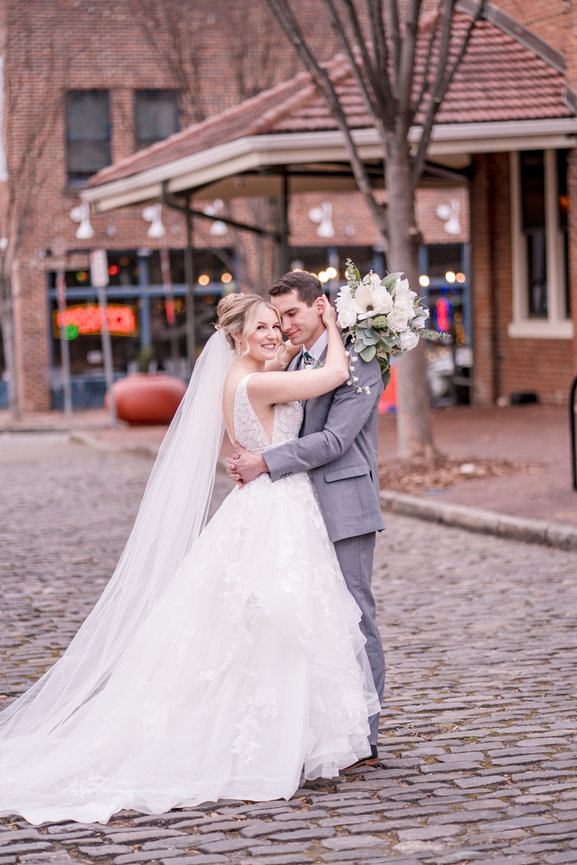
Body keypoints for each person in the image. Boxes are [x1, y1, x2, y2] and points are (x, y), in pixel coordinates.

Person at [0, 292, 379, 826]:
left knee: (260, 627)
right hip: (276, 508)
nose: (273, 334)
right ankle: (269, 742)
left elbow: (288, 380)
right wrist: (334, 324)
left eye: (277, 325)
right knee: (279, 621)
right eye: (262, 327)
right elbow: (336, 374)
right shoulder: (256, 383)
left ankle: (284, 735)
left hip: (271, 503)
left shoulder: (244, 378)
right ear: (237, 336)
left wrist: (295, 347)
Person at [228, 271, 385, 766]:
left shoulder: (360, 360)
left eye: (291, 314)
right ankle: (315, 731)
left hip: (342, 503)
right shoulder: (292, 361)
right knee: (303, 621)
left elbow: (335, 440)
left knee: (355, 617)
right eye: (277, 318)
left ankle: (365, 735)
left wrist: (265, 460)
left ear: (321, 307)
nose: (285, 326)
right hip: (294, 510)